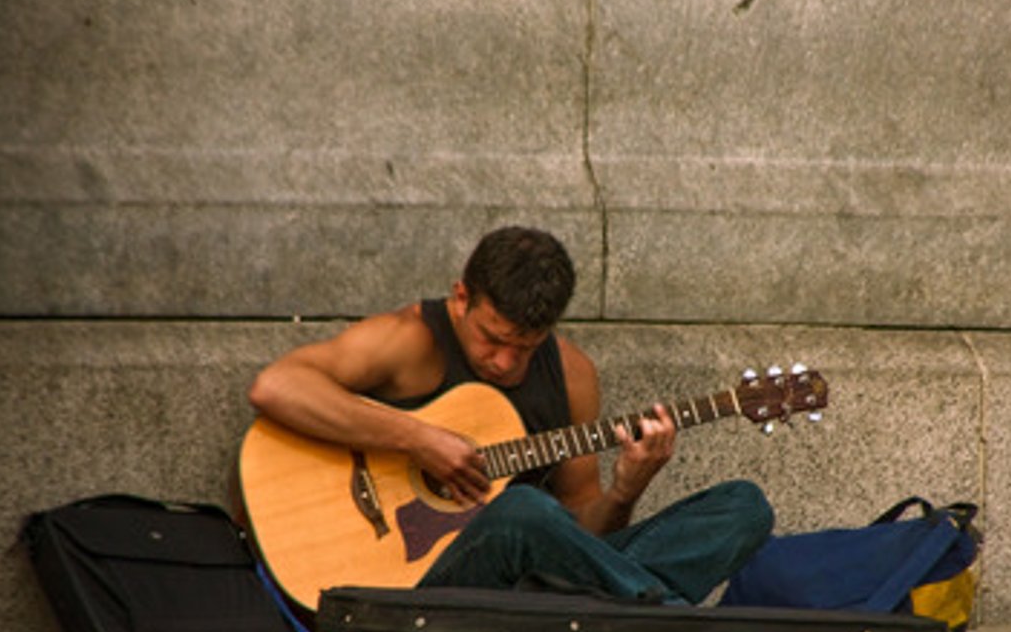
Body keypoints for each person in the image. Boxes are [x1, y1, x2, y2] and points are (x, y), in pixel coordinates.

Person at [247, 226, 773, 604]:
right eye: (492, 340)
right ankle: (650, 615)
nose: (504, 362)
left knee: (744, 507)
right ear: (462, 298)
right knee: (524, 507)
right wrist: (416, 438)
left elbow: (581, 538)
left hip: (531, 590)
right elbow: (276, 387)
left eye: (525, 347)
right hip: (431, 588)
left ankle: (630, 610)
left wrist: (625, 491)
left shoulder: (571, 375)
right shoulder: (410, 338)